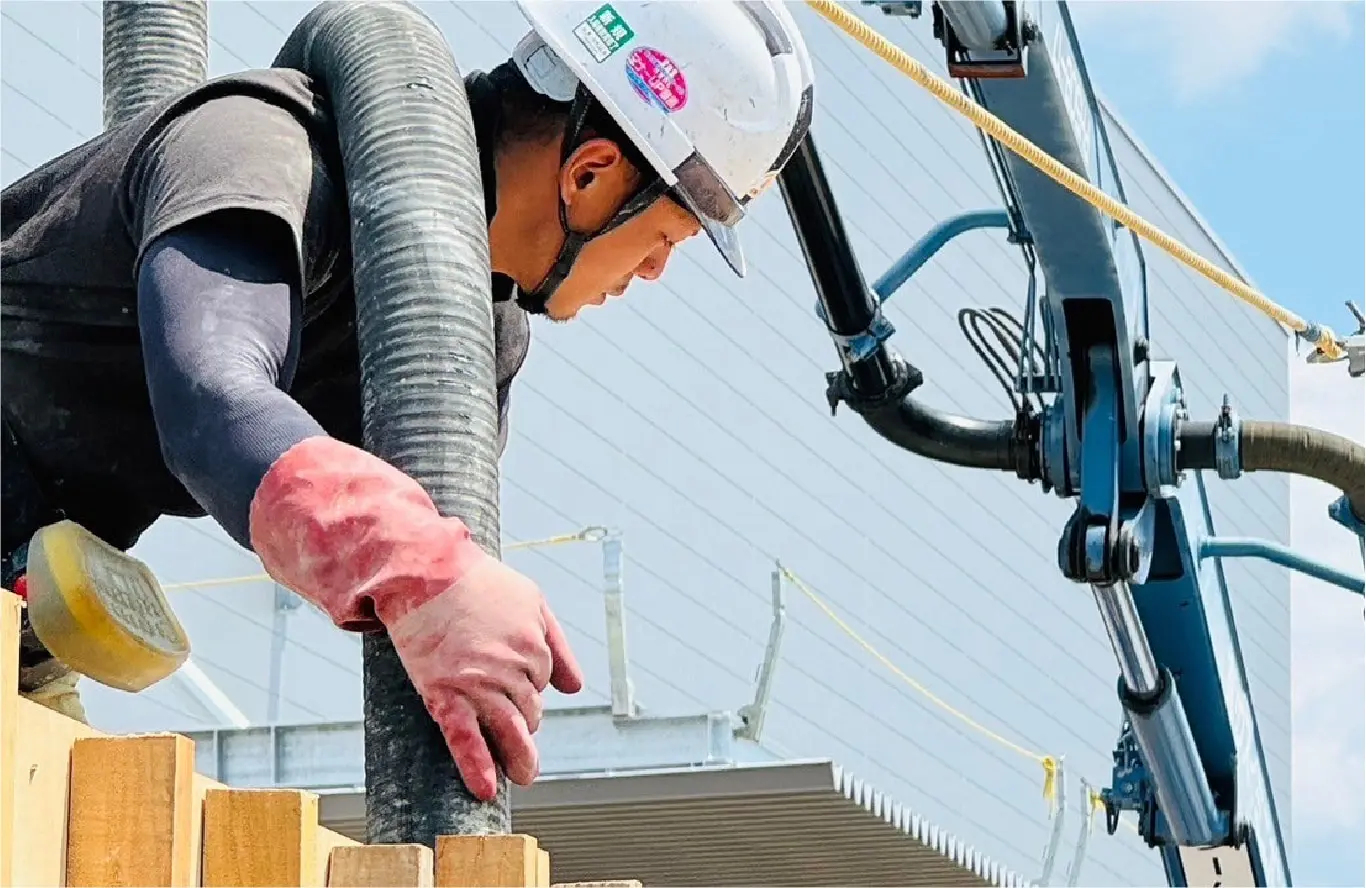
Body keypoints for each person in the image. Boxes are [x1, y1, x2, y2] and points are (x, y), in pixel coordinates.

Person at [0, 2, 815, 801]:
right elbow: (214, 403)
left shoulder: (468, 338)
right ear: (591, 175)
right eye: (666, 239)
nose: (653, 273)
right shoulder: (262, 148)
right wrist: (423, 570)